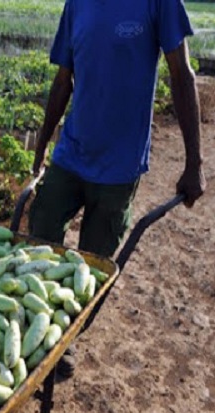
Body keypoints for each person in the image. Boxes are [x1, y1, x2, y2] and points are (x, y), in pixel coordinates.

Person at [29, 0, 206, 378]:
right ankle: (36, 326)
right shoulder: (77, 4)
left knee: (93, 265)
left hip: (119, 167)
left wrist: (194, 164)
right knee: (39, 236)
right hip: (71, 154)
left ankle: (64, 340)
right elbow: (64, 80)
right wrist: (43, 145)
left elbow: (182, 74)